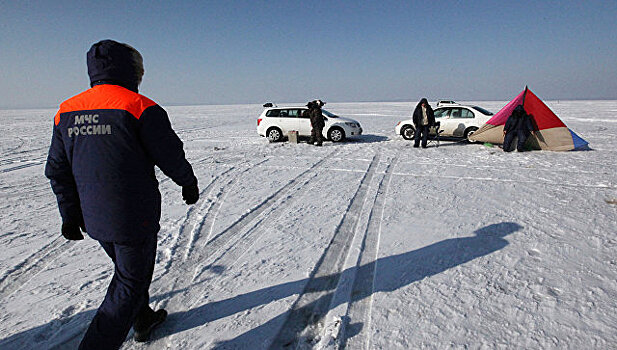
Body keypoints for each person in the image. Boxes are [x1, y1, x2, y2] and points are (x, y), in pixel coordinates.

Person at [45, 39, 199, 349]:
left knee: (129, 273)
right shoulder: (139, 106)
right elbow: (169, 154)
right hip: (133, 219)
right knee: (130, 282)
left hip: (95, 219)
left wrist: (69, 213)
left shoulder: (66, 111)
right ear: (131, 70)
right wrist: (187, 181)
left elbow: (57, 170)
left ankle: (142, 319)